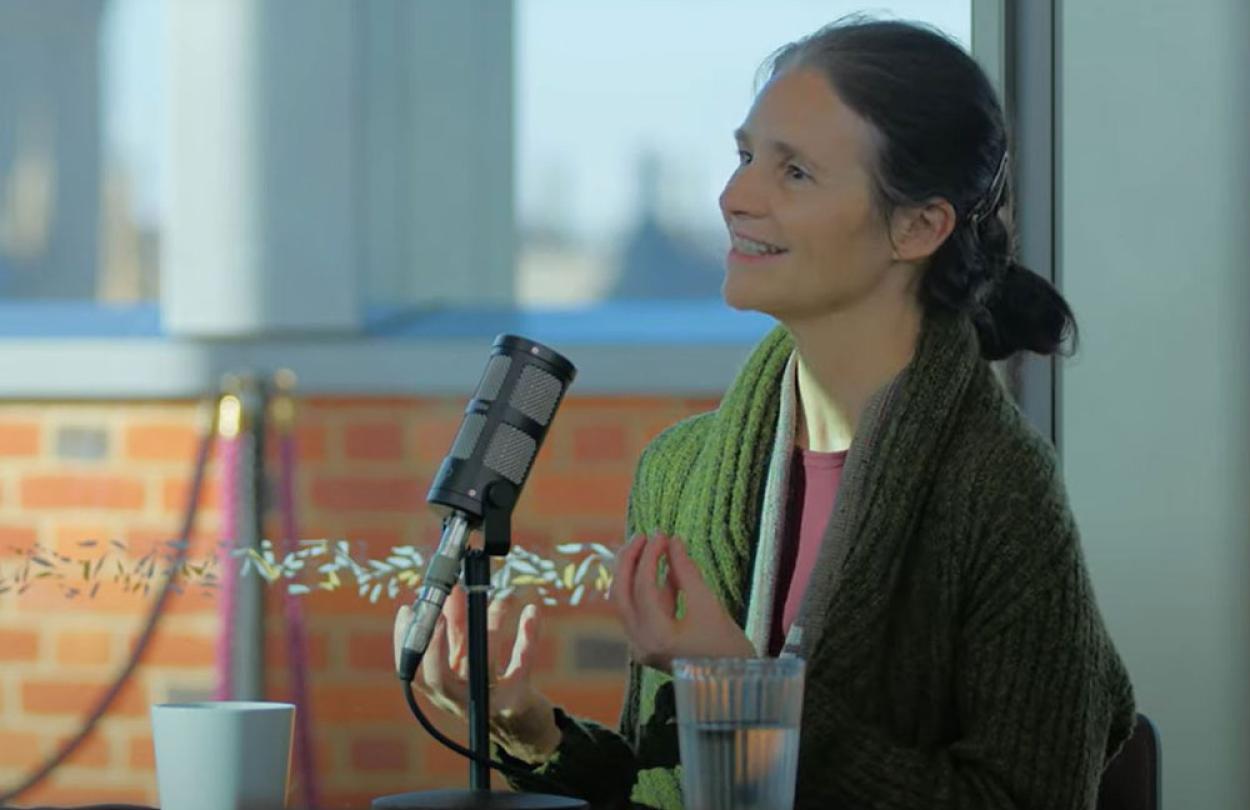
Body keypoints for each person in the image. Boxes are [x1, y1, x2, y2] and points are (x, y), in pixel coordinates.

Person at [395, 14, 1135, 810]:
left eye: (795, 174)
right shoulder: (681, 472)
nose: (734, 197)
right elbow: (665, 785)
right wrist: (531, 731)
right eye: (746, 156)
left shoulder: (998, 489)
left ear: (919, 227)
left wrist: (751, 695)